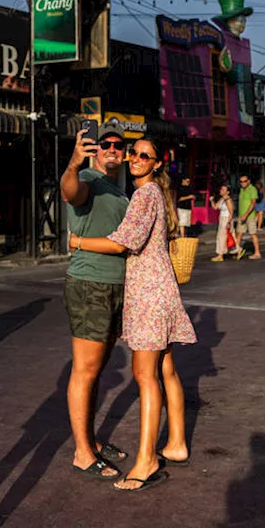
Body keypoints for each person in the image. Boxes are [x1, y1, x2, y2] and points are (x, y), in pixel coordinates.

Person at [70, 136, 196, 492]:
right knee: (165, 369)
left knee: (145, 375)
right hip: (162, 288)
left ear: (157, 163)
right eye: (134, 153)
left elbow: (122, 242)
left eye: (146, 155)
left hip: (148, 294)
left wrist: (77, 242)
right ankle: (176, 443)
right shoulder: (157, 193)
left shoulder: (145, 194)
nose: (137, 158)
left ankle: (147, 459)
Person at [60, 123, 132, 481]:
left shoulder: (120, 190)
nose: (113, 149)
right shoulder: (88, 175)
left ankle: (90, 440)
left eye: (119, 145)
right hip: (91, 284)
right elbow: (71, 191)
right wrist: (73, 163)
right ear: (96, 148)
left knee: (97, 371)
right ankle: (82, 453)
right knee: (85, 371)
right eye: (106, 144)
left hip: (115, 287)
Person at [236, 174, 262, 259]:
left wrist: (246, 215)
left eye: (244, 181)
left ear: (248, 181)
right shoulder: (241, 190)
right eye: (241, 181)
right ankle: (238, 251)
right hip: (241, 215)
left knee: (253, 234)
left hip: (250, 216)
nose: (242, 183)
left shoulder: (252, 189)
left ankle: (257, 253)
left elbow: (253, 203)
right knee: (239, 233)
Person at [210, 184, 236, 263]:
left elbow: (231, 211)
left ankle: (220, 255)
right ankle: (237, 250)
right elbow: (215, 207)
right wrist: (211, 200)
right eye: (221, 189)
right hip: (222, 219)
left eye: (223, 190)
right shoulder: (222, 199)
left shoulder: (228, 200)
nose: (221, 191)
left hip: (226, 219)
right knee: (228, 236)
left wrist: (228, 222)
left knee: (222, 237)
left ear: (227, 192)